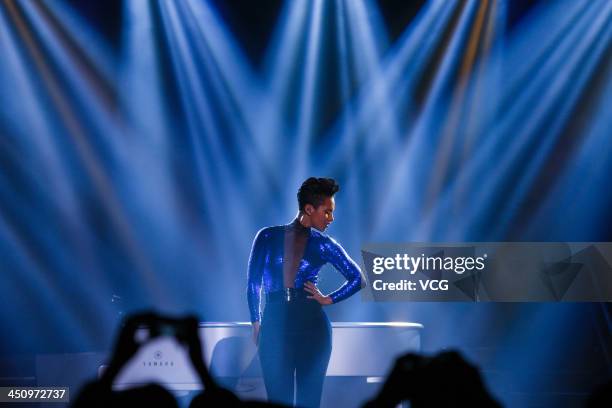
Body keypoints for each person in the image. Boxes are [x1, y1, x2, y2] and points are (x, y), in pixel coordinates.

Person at [247, 177, 362, 408]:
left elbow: (358, 278)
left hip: (312, 328)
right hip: (275, 323)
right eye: (327, 212)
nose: (331, 218)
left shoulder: (324, 244)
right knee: (278, 401)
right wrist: (256, 322)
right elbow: (253, 283)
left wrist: (328, 298)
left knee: (309, 403)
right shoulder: (267, 236)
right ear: (309, 209)